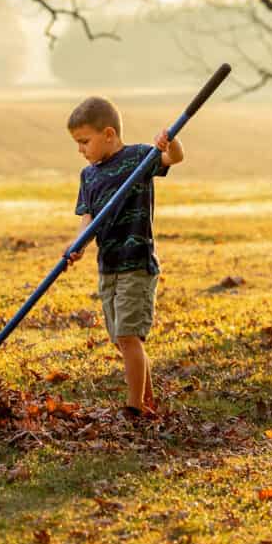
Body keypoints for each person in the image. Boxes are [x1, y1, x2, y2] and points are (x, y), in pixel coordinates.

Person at [65, 96, 183, 421]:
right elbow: (87, 218)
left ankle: (133, 409)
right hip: (109, 267)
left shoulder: (139, 159)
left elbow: (174, 157)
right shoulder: (88, 177)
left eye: (84, 142)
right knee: (121, 340)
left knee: (128, 336)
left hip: (136, 262)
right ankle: (147, 400)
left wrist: (170, 142)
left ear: (108, 134)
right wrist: (78, 244)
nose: (81, 150)